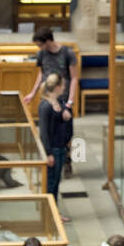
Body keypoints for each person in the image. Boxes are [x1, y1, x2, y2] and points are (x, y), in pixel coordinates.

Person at [25, 27, 77, 177]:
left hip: (63, 97)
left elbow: (74, 78)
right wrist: (33, 93)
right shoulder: (41, 54)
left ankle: (67, 161)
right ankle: (49, 158)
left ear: (48, 41)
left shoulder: (68, 53)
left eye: (40, 45)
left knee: (65, 133)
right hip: (47, 97)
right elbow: (41, 75)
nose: (39, 48)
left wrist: (70, 102)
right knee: (47, 131)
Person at [38, 73, 73, 222]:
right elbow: (44, 132)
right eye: (63, 85)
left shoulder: (59, 101)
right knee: (50, 183)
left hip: (61, 147)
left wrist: (66, 112)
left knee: (56, 182)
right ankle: (49, 213)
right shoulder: (45, 106)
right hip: (53, 149)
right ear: (57, 87)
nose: (64, 87)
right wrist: (48, 153)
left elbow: (66, 115)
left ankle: (54, 211)